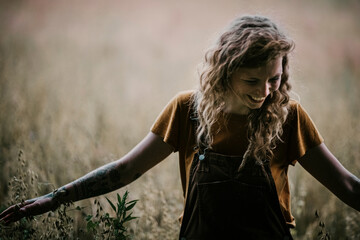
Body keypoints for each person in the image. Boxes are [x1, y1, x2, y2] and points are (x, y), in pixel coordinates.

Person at [1, 15, 359, 239]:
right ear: (225, 71)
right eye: (253, 81)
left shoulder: (289, 117)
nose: (266, 93)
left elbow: (344, 183)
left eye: (274, 79)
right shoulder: (188, 111)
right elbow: (126, 169)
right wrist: (55, 198)